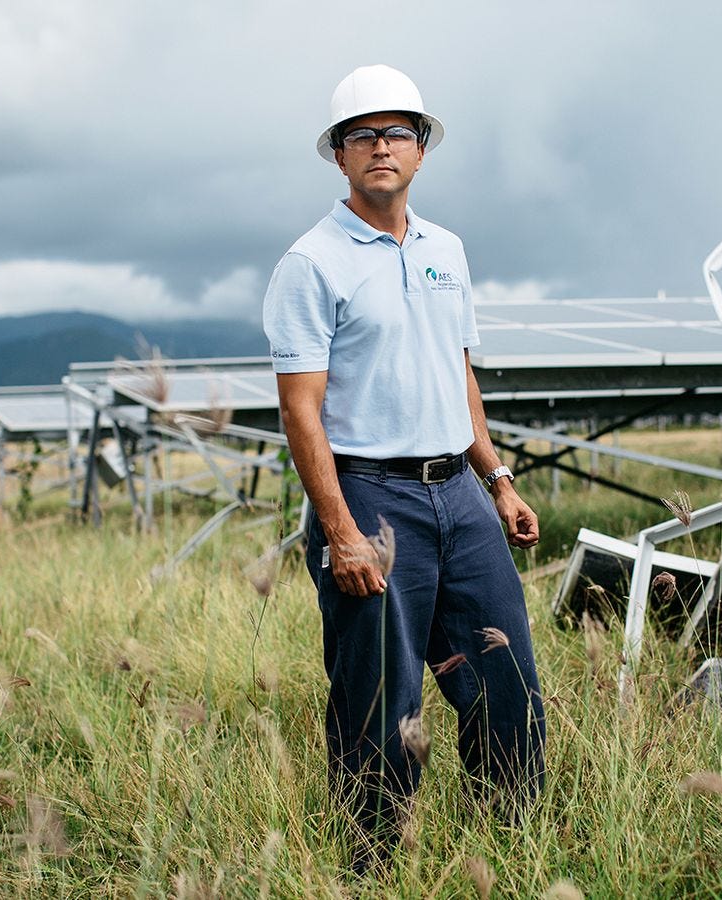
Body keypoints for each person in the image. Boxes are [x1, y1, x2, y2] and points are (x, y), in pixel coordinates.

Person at [262, 64, 546, 857]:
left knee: (508, 688)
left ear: (420, 150)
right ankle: (373, 865)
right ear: (340, 156)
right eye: (363, 135)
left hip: (460, 495)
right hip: (371, 498)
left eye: (397, 134)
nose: (381, 147)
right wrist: (342, 532)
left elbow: (455, 372)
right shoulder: (311, 263)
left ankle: (513, 854)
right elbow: (301, 412)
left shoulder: (446, 249)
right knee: (380, 704)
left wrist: (498, 480)